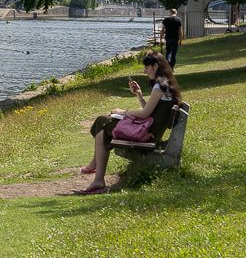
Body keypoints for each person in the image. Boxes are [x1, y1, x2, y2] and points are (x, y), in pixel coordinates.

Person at [77, 51, 181, 195]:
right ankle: (96, 168)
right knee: (105, 121)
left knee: (103, 122)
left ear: (155, 66)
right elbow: (149, 111)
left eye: (147, 67)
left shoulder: (159, 87)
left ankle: (98, 176)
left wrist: (123, 112)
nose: (145, 71)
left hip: (147, 133)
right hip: (150, 129)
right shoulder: (166, 85)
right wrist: (138, 94)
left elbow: (145, 114)